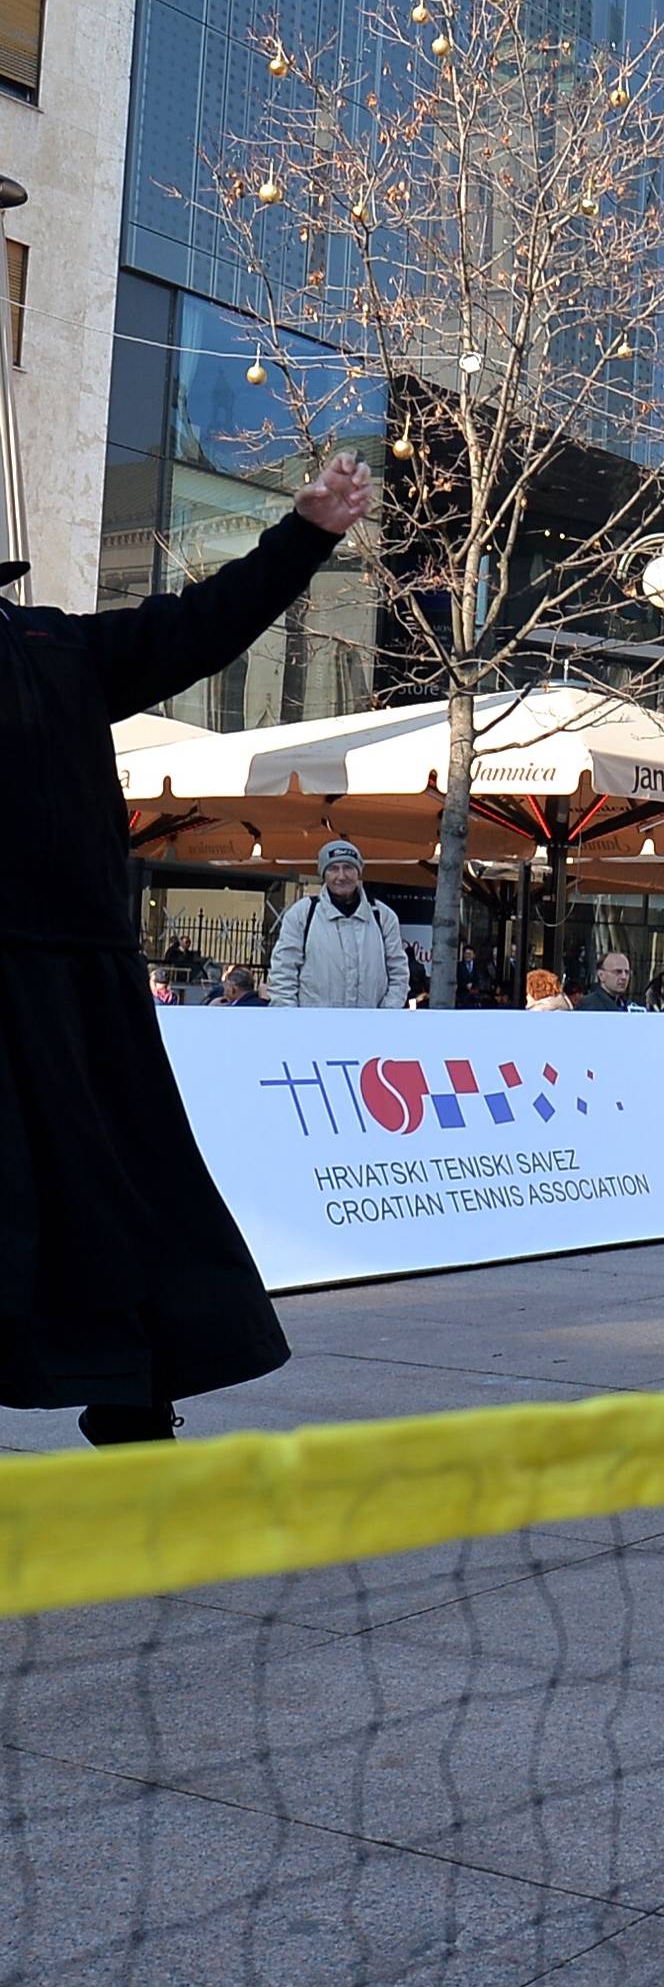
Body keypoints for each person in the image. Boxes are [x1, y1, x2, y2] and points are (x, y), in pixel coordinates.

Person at [0, 449, 369, 1444]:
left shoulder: (51, 645)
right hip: (36, 974)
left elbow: (197, 627)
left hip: (80, 977)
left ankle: (132, 1384)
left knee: (120, 1194)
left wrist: (306, 536)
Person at [266, 840, 409, 1010]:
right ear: (323, 875)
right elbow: (283, 972)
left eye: (348, 867)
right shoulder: (301, 915)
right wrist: (291, 1019)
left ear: (358, 872)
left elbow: (399, 974)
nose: (341, 876)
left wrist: (386, 1015)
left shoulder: (383, 917)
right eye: (333, 869)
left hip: (370, 1030)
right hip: (315, 1029)